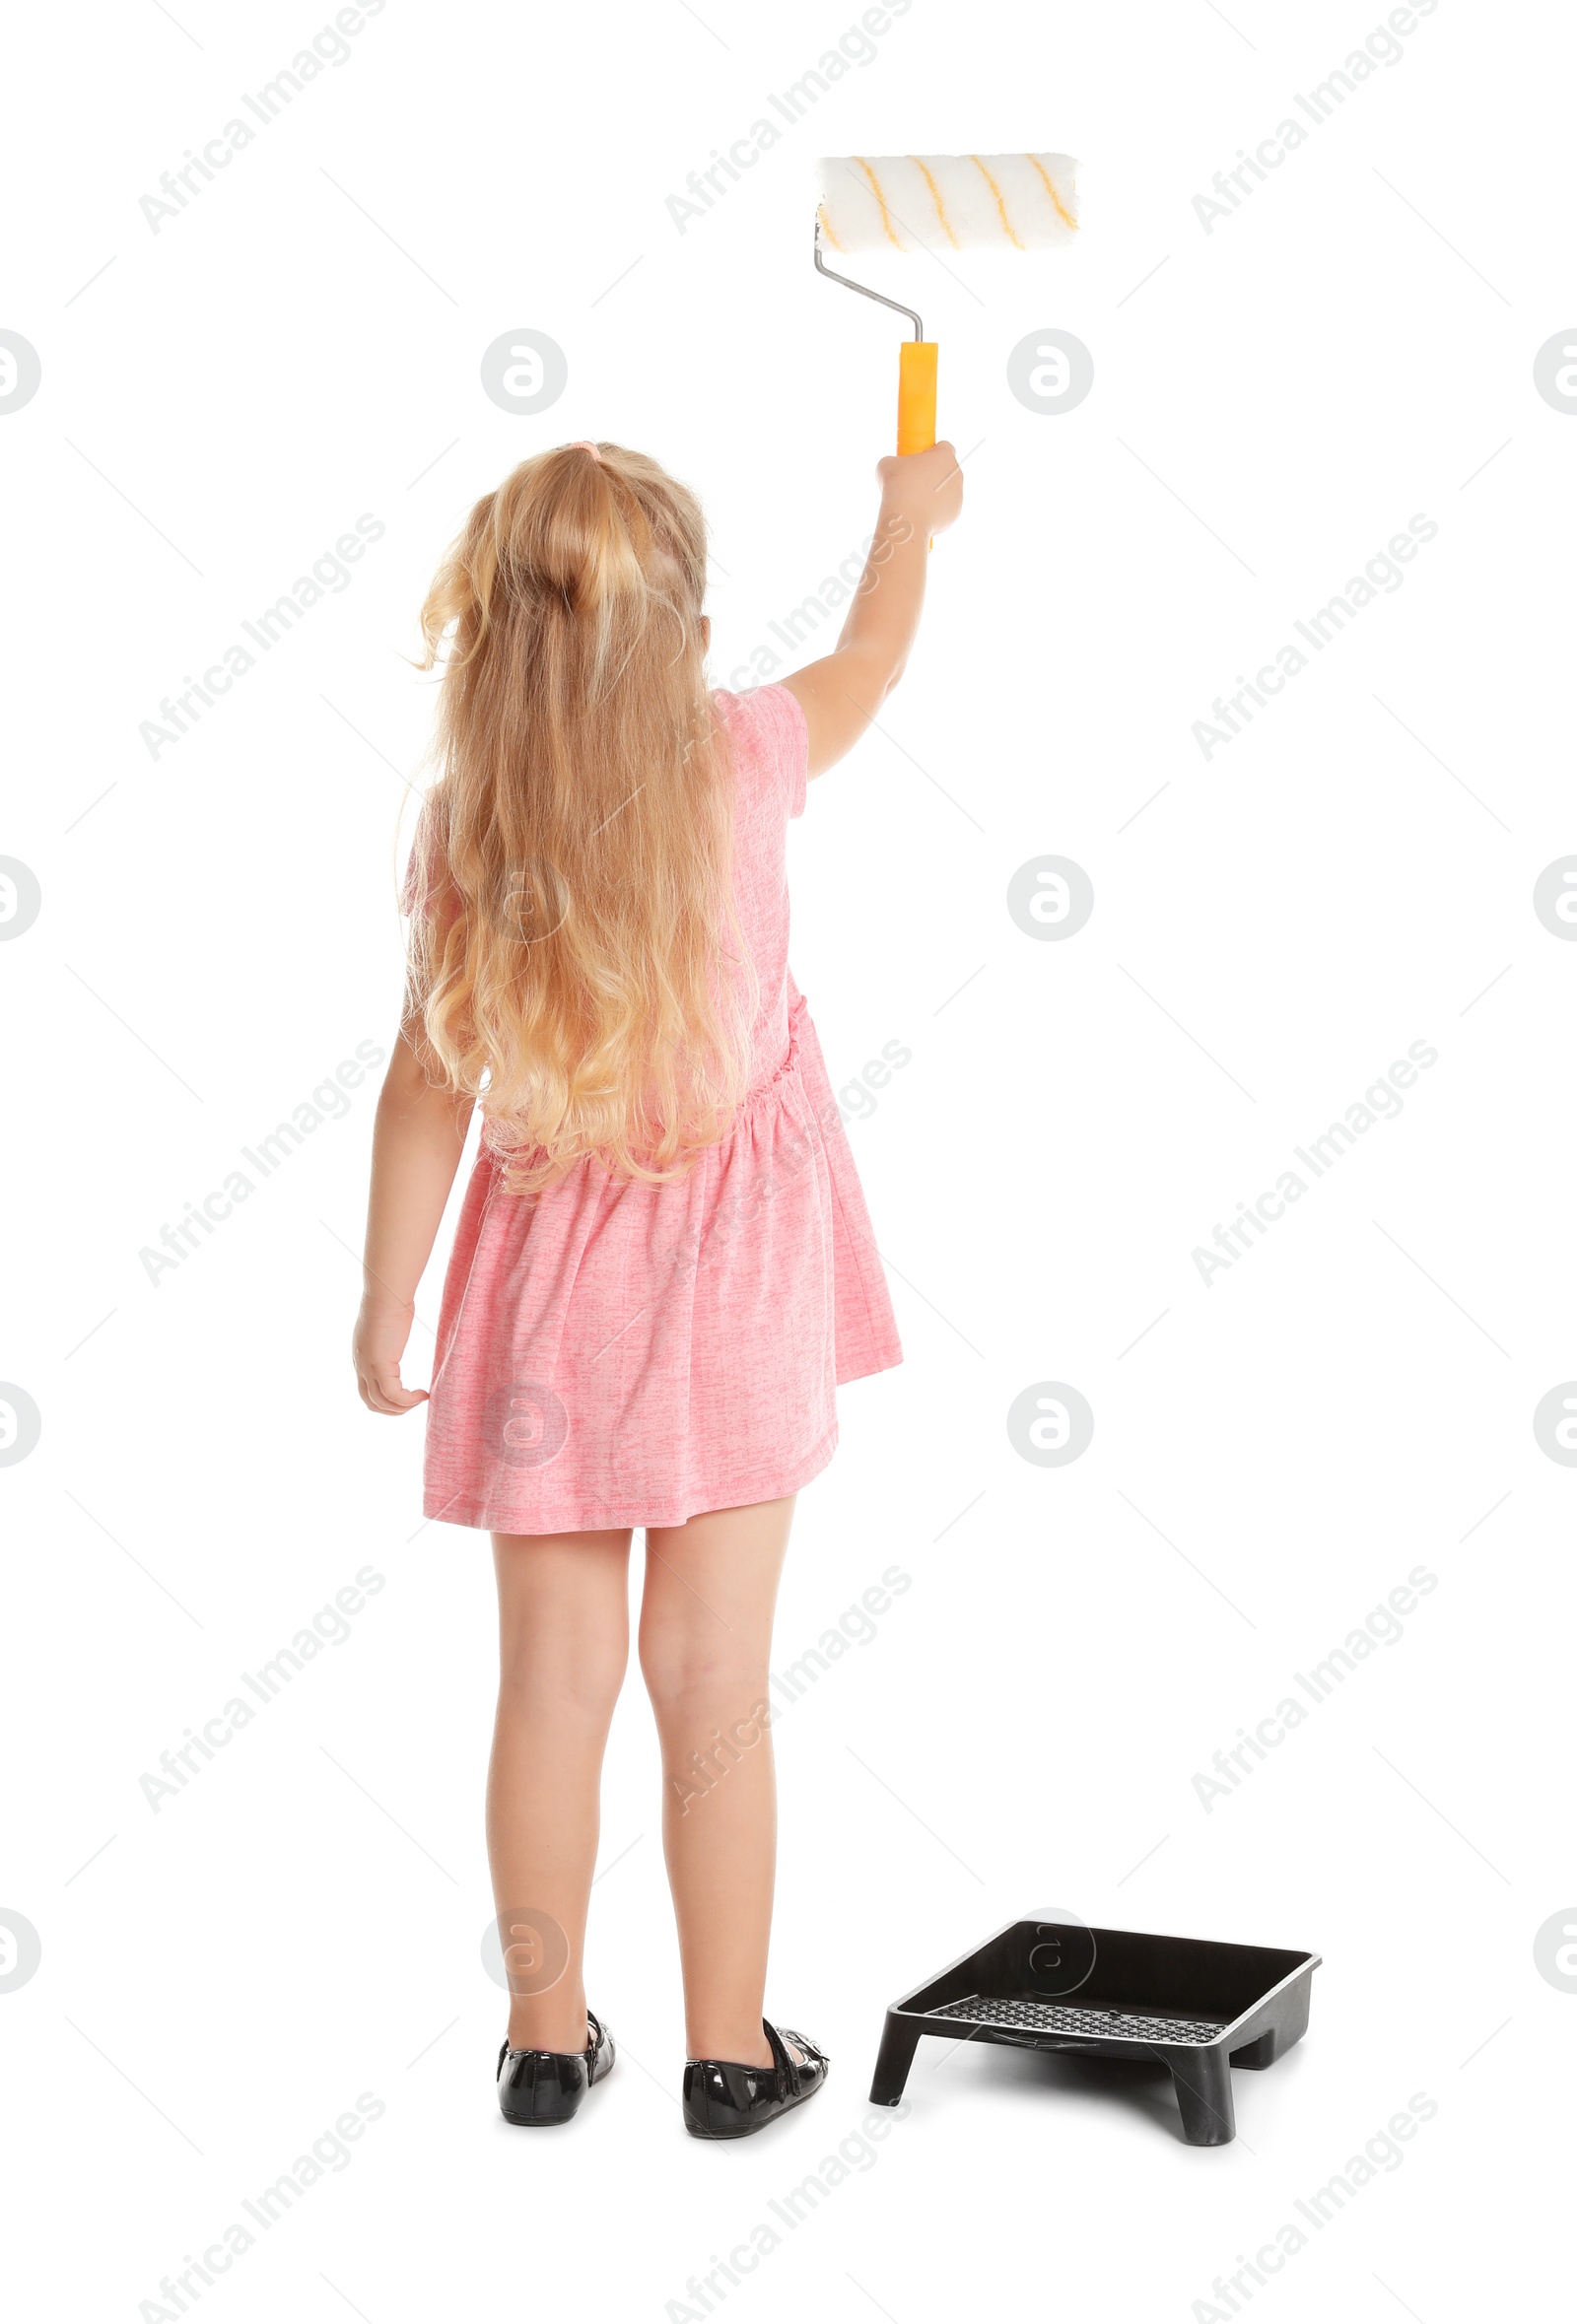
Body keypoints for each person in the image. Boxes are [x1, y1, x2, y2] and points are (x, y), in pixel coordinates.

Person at [352, 434, 962, 2135]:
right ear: (685, 624)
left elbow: (426, 1079)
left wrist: (386, 1296)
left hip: (546, 1287)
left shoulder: (473, 825)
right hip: (739, 1288)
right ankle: (728, 2050)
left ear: (495, 624)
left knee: (551, 1679)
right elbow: (874, 658)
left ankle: (546, 2037)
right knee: (715, 1686)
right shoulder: (747, 754)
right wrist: (907, 519)